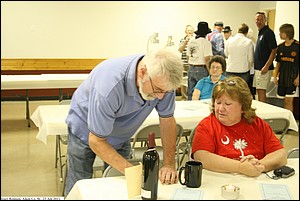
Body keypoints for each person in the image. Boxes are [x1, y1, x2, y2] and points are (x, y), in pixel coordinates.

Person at [64, 49, 183, 196]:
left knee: (120, 186)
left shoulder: (162, 82)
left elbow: (167, 122)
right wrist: (134, 172)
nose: (160, 97)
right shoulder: (109, 85)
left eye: (165, 92)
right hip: (85, 130)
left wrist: (169, 164)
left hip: (120, 134)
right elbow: (96, 141)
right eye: (157, 90)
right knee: (80, 184)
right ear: (143, 72)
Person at [191, 76, 287, 177]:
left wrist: (259, 166)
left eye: (228, 104)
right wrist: (241, 167)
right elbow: (202, 158)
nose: (220, 108)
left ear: (243, 107)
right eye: (218, 103)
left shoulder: (257, 124)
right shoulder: (207, 125)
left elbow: (280, 154)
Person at [273, 23, 299, 112]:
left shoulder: (297, 46)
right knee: (283, 101)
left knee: (289, 101)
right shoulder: (280, 47)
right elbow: (278, 63)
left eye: (281, 32)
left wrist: (298, 78)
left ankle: (290, 124)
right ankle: (284, 121)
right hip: (282, 78)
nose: (279, 34)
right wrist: (275, 76)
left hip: (292, 78)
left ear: (287, 33)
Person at [253, 11, 277, 102]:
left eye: (260, 19)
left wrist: (266, 66)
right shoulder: (260, 32)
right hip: (258, 68)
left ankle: (262, 114)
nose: (258, 21)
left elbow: (274, 50)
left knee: (261, 91)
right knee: (258, 91)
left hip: (264, 68)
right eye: (257, 19)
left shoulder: (268, 33)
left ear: (265, 20)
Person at [186, 21, 213, 100]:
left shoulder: (191, 41)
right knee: (201, 92)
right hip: (202, 68)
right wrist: (210, 71)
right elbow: (207, 59)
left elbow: (188, 56)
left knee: (191, 92)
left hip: (191, 68)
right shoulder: (206, 43)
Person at [178, 25, 194, 100]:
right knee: (183, 81)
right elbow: (180, 50)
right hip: (184, 63)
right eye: (188, 30)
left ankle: (191, 97)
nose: (190, 31)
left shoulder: (195, 40)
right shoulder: (182, 40)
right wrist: (186, 42)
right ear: (185, 31)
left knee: (191, 80)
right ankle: (184, 97)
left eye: (191, 30)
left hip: (193, 63)